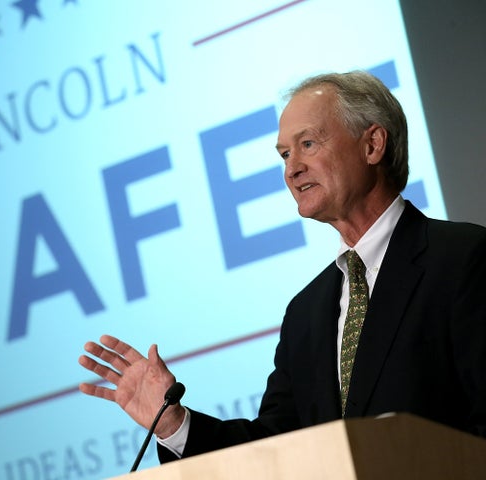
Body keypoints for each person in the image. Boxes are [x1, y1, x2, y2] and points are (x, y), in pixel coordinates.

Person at [78, 70, 486, 462]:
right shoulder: (306, 312)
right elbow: (275, 447)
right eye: (285, 154)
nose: (292, 169)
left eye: (308, 144)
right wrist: (174, 425)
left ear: (372, 144)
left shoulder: (464, 259)